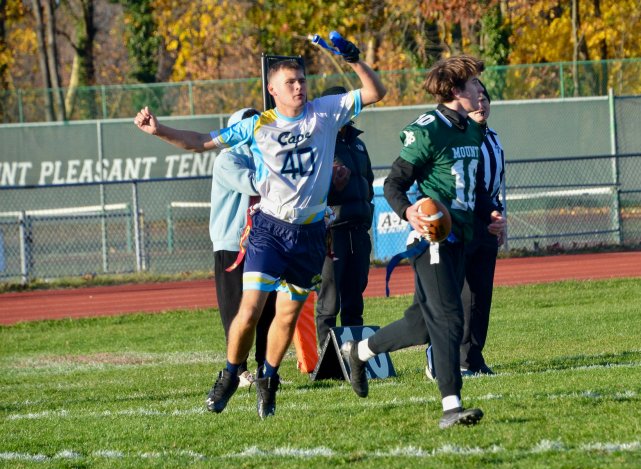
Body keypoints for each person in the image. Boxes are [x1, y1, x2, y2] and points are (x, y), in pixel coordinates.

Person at [134, 36, 386, 419]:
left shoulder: (324, 112)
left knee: (286, 315)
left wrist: (353, 59)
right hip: (270, 230)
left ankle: (268, 378)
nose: (299, 87)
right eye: (290, 82)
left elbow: (375, 92)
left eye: (302, 80)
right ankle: (230, 373)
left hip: (310, 233)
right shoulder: (257, 126)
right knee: (250, 309)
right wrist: (159, 130)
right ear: (273, 91)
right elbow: (200, 141)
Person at [341, 55, 505, 429]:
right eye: (474, 84)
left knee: (420, 324)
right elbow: (394, 183)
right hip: (433, 240)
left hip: (461, 238)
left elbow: (473, 188)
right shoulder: (428, 130)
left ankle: (359, 352)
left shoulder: (471, 130)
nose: (481, 91)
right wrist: (409, 211)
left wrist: (491, 214)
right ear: (456, 90)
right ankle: (451, 406)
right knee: (449, 319)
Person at [425, 80, 505, 380]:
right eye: (477, 98)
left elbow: (493, 185)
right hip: (462, 220)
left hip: (487, 220)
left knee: (481, 294)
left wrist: (498, 218)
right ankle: (441, 354)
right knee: (458, 294)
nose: (481, 104)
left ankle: (473, 356)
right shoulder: (460, 137)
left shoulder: (493, 137)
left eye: (485, 98)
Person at [211, 108, 274, 387]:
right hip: (232, 244)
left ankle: (265, 365)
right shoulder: (227, 159)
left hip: (265, 241)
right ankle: (238, 368)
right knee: (235, 309)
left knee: (267, 306)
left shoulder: (268, 155)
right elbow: (252, 183)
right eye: (248, 125)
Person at [315, 85, 375, 350]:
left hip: (358, 231)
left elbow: (367, 183)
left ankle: (355, 357)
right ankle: (327, 359)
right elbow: (310, 188)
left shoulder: (359, 143)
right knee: (329, 301)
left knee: (355, 299)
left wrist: (367, 214)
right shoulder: (319, 141)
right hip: (333, 232)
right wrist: (332, 186)